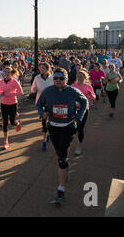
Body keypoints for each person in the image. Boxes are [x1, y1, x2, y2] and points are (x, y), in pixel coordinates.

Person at [36, 67, 88, 205]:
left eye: (61, 78)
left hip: (68, 127)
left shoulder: (72, 91)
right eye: (56, 78)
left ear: (66, 79)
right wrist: (43, 113)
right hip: (53, 126)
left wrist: (79, 116)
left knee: (61, 158)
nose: (58, 81)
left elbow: (84, 102)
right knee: (59, 152)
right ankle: (65, 167)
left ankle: (61, 189)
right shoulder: (48, 91)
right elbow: (39, 104)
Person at [71, 69, 96, 156]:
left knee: (80, 129)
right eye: (78, 76)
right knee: (73, 128)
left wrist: (91, 94)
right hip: (74, 109)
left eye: (81, 76)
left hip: (84, 109)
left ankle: (79, 146)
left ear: (85, 78)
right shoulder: (73, 85)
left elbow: (93, 97)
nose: (80, 78)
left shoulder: (89, 87)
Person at [0, 67, 24, 150]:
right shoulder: (1, 81)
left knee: (12, 122)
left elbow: (21, 92)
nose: (7, 74)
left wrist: (10, 94)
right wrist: (1, 93)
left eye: (8, 72)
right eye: (5, 72)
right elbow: (0, 90)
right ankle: (6, 141)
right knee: (5, 122)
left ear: (11, 73)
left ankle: (18, 123)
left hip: (13, 103)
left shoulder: (14, 81)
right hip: (3, 104)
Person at [31, 62, 54, 150]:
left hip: (50, 102)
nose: (41, 70)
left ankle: (48, 133)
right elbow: (32, 90)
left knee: (50, 120)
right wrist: (34, 89)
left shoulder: (52, 78)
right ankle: (44, 140)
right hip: (40, 103)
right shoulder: (37, 78)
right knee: (44, 121)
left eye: (43, 68)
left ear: (47, 69)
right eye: (40, 68)